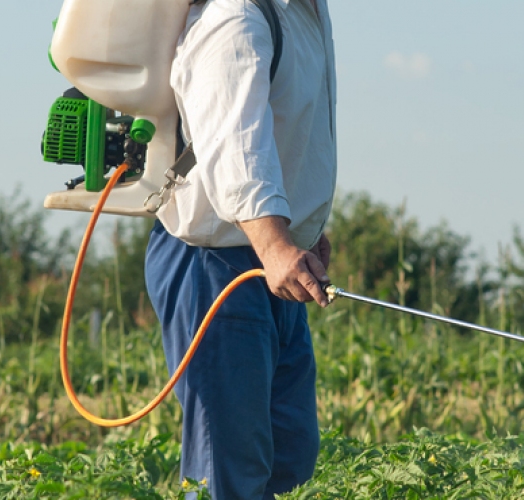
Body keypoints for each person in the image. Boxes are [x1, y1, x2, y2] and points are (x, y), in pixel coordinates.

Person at [144, 0, 337, 498]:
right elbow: (237, 147)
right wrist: (274, 240)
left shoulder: (304, 13)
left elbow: (288, 131)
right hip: (216, 263)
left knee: (290, 453)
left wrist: (305, 227)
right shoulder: (237, 15)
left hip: (266, 254)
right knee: (229, 473)